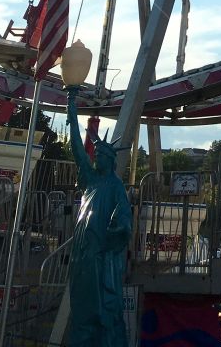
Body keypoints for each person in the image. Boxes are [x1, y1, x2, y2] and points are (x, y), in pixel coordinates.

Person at [66, 90, 132, 347]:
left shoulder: (115, 186)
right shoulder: (92, 180)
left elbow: (124, 216)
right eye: (97, 156)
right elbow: (76, 151)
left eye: (102, 157)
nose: (96, 159)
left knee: (101, 310)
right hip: (82, 254)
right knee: (82, 308)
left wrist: (120, 229)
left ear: (110, 160)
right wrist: (72, 112)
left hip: (100, 257)